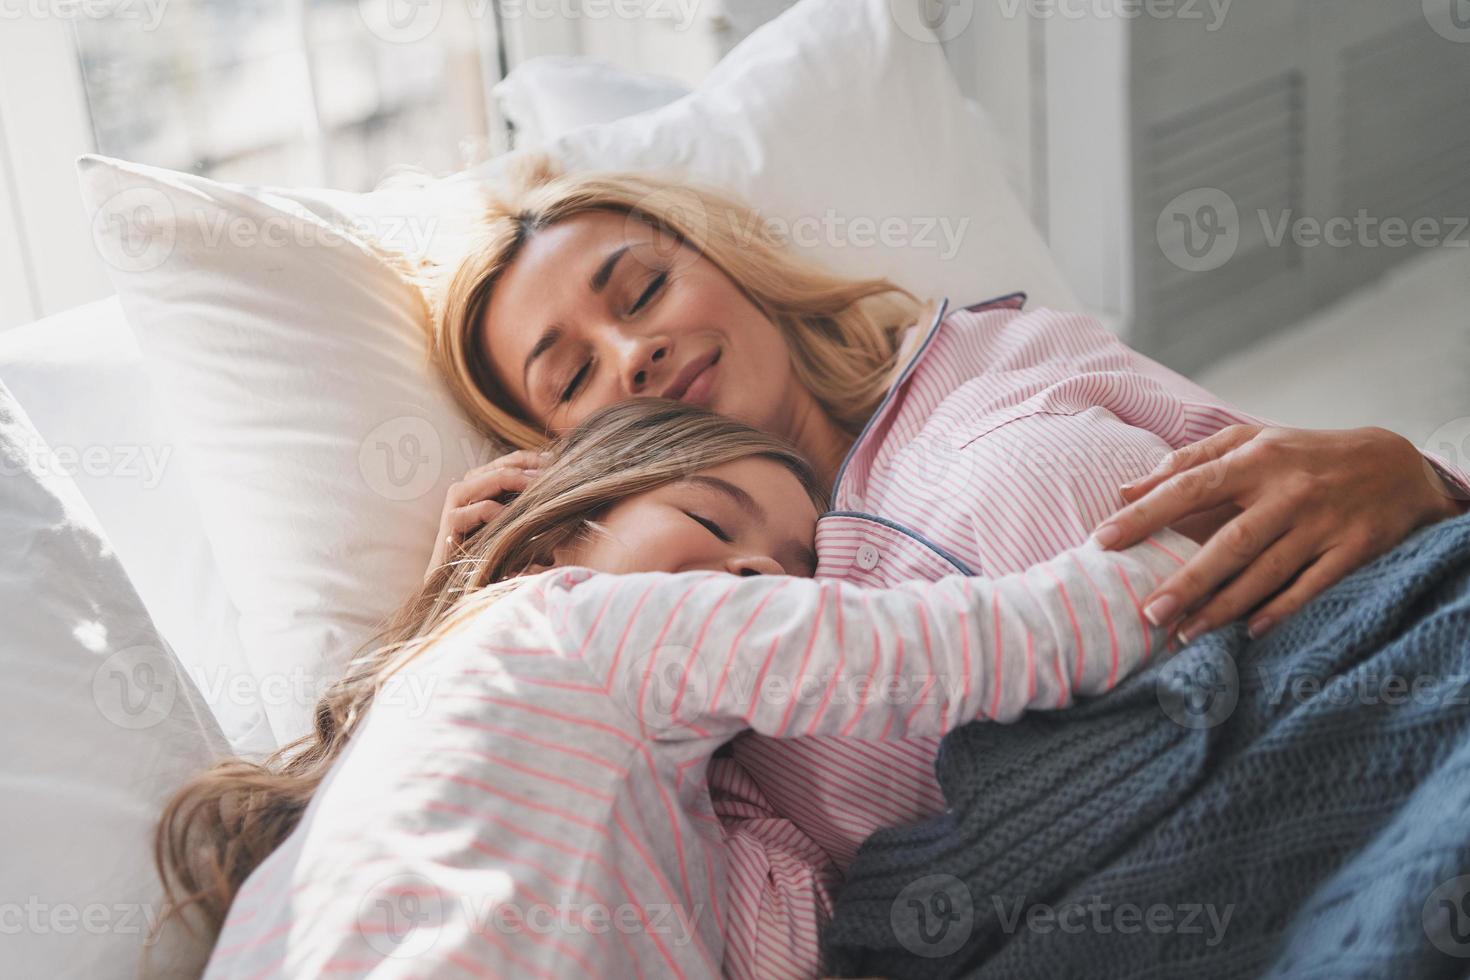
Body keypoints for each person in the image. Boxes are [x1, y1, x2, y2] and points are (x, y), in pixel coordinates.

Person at [413, 155, 1470, 972]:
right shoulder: (699, 671)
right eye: (573, 372)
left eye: (640, 290)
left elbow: (1303, 488)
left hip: (1388, 660)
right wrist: (479, 608)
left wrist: (1414, 475)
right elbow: (779, 940)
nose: (629, 349)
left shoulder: (1000, 352)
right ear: (562, 454)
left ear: (726, 265)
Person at [159, 400, 1195, 978]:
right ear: (563, 530)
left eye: (799, 568)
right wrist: (1177, 570)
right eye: (713, 518)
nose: (760, 574)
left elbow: (782, 944)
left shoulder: (630, 781)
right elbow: (939, 650)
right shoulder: (567, 616)